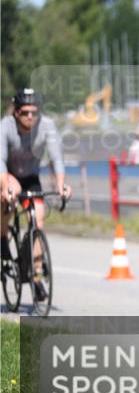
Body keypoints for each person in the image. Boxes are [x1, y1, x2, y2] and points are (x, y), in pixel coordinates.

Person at [1, 89, 71, 302]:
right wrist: (5, 187)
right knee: (8, 200)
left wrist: (61, 186)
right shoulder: (5, 127)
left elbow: (56, 158)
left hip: (31, 176)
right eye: (24, 112)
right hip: (8, 175)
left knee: (38, 219)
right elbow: (0, 162)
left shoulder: (47, 126)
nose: (30, 117)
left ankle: (37, 276)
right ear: (16, 112)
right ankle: (2, 237)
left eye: (34, 112)